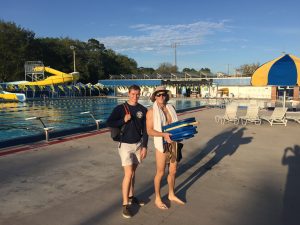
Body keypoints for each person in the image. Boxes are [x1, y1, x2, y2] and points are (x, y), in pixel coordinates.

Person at [106, 85, 148, 218]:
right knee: (128, 173)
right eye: (133, 94)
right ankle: (125, 205)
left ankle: (131, 196)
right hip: (125, 145)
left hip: (138, 145)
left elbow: (146, 131)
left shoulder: (143, 110)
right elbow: (109, 122)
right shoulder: (120, 108)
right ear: (128, 94)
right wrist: (122, 120)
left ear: (140, 94)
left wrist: (145, 146)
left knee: (133, 172)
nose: (135, 97)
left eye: (137, 94)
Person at [146, 86, 185, 210]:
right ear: (155, 96)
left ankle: (171, 194)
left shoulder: (171, 108)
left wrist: (183, 130)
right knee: (160, 172)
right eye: (159, 95)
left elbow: (174, 125)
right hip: (161, 144)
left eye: (163, 94)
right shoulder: (151, 112)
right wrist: (163, 135)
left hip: (174, 143)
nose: (161, 96)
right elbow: (149, 131)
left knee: (173, 171)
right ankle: (157, 198)